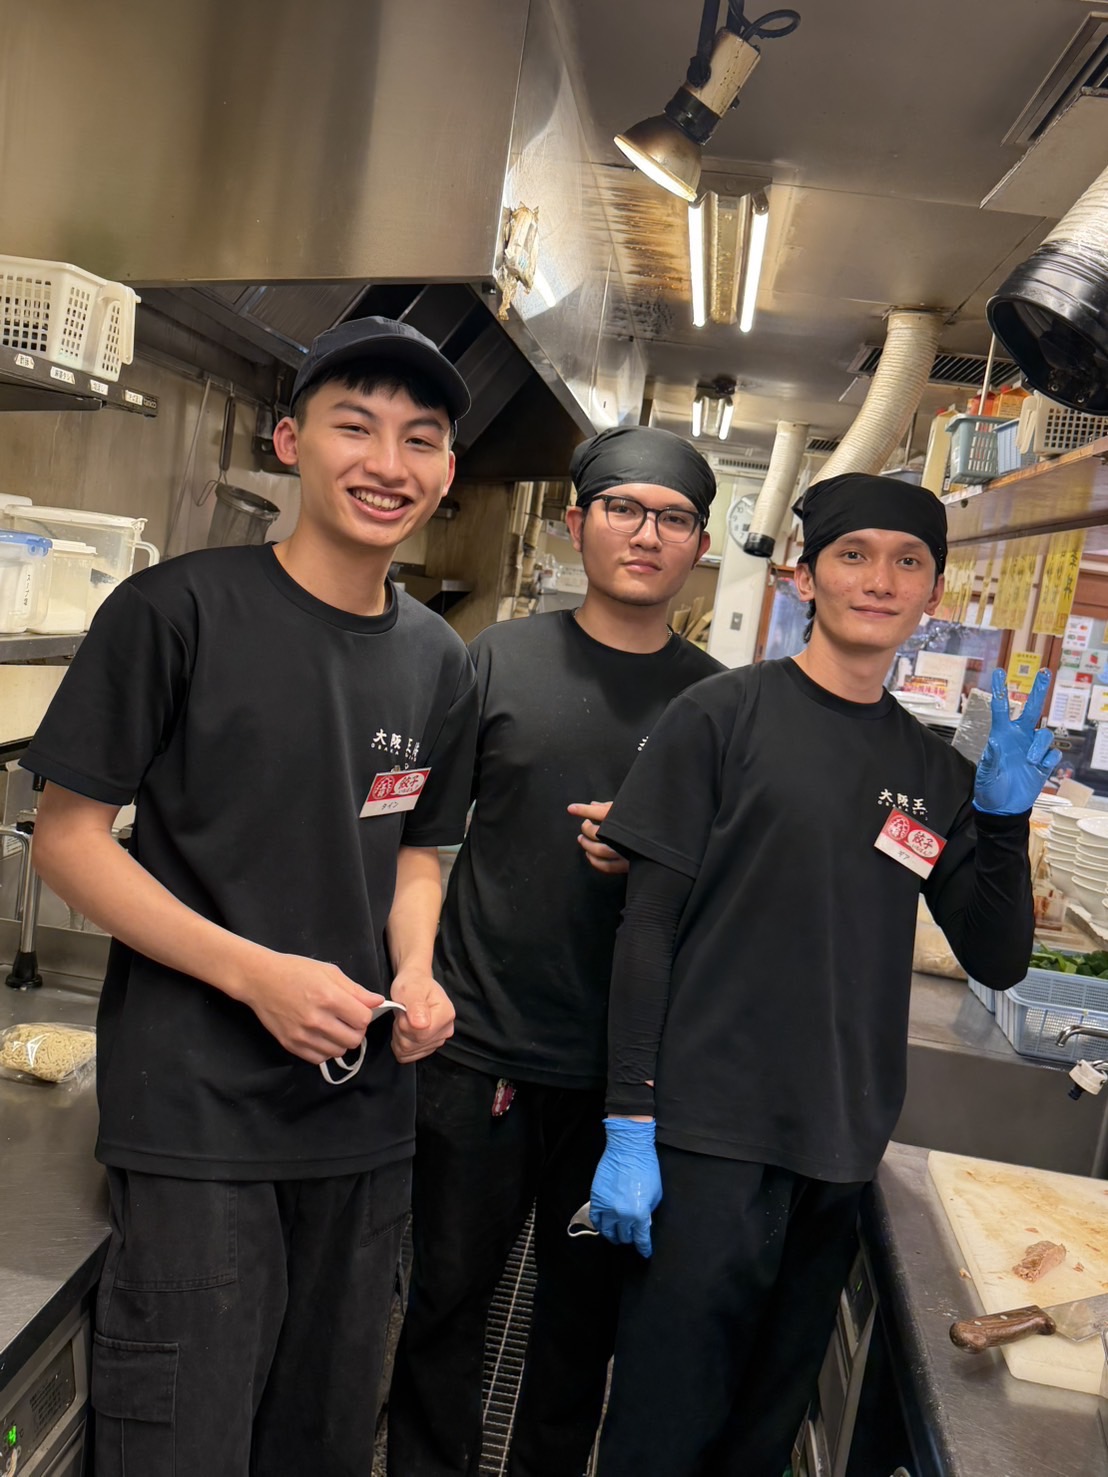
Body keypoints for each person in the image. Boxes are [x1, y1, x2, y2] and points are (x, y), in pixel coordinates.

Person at [22, 317, 480, 1477]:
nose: (388, 462)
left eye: (420, 437)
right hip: (198, 1116)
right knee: (187, 1445)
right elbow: (66, 842)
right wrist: (254, 974)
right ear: (289, 442)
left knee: (322, 1443)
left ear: (447, 471)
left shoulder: (438, 660)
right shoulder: (176, 611)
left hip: (362, 1115)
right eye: (354, 426)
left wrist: (416, 971)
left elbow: (416, 851)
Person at [588, 471, 1058, 1477]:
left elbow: (996, 954)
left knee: (760, 1438)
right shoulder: (720, 717)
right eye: (853, 555)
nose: (879, 580)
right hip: (708, 1136)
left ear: (933, 592)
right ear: (805, 576)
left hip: (838, 1144)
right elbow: (646, 927)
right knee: (661, 1432)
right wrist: (629, 1118)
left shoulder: (934, 772)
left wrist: (1005, 820)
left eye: (907, 562)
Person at [386, 426, 724, 1477]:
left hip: (624, 1080)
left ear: (699, 544)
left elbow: (735, 891)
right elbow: (425, 838)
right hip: (478, 1043)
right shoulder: (498, 657)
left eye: (673, 518)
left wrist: (660, 860)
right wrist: (414, 974)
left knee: (582, 1327)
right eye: (624, 508)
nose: (646, 534)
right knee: (445, 1301)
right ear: (578, 523)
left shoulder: (718, 703)